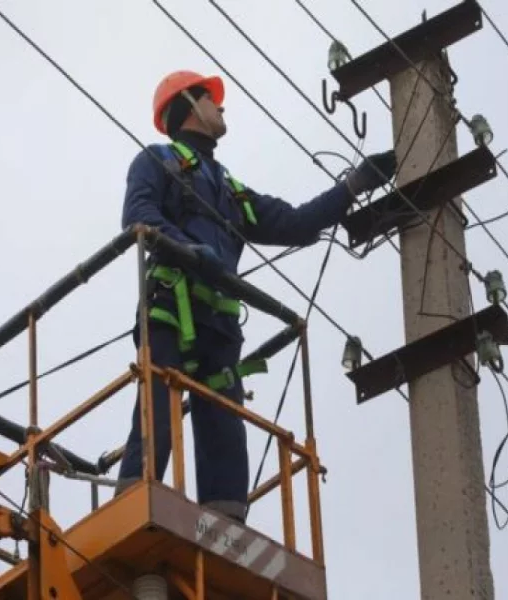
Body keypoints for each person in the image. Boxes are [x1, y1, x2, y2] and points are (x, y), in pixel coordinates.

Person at [114, 70, 396, 522]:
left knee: (225, 436)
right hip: (171, 308)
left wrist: (353, 186)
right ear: (188, 103)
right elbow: (138, 215)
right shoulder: (158, 161)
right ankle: (129, 514)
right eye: (212, 98)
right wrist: (189, 250)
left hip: (220, 328)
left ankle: (226, 534)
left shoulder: (230, 190)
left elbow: (297, 223)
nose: (221, 107)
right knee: (158, 420)